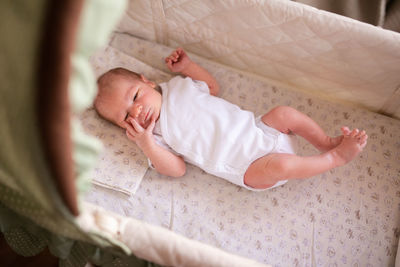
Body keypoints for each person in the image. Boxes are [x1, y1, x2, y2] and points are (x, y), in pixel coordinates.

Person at [94, 48, 368, 191]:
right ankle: (335, 159)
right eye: (126, 117)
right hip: (246, 166)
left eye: (135, 97)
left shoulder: (178, 85)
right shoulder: (154, 136)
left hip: (258, 129)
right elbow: (177, 169)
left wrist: (188, 67)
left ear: (148, 81)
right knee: (282, 165)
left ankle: (326, 143)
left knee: (284, 113)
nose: (137, 112)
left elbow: (211, 88)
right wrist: (146, 144)